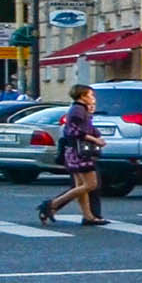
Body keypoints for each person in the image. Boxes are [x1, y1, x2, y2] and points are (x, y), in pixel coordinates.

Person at [33, 87, 105, 226]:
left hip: (73, 151)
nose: (93, 98)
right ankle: (52, 204)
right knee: (91, 184)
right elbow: (74, 131)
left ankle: (88, 216)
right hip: (80, 153)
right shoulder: (78, 110)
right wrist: (96, 140)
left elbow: (83, 128)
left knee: (80, 186)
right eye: (91, 95)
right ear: (82, 96)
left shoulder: (80, 109)